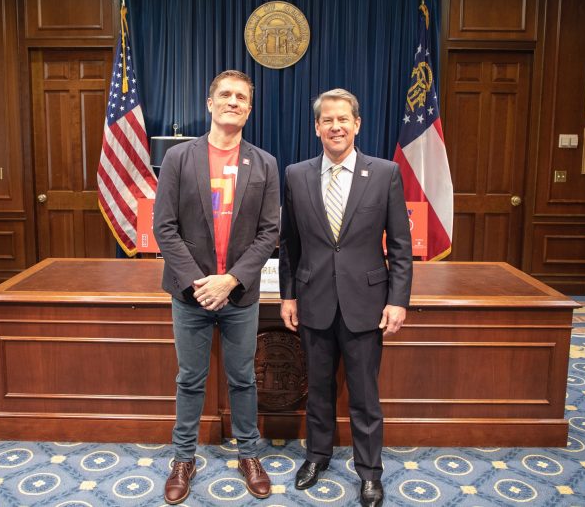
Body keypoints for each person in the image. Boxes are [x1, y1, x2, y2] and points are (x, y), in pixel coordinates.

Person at [278, 88, 413, 507]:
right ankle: (316, 457)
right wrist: (288, 296)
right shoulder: (296, 175)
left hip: (367, 305)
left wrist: (398, 300)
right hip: (314, 299)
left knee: (364, 394)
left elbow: (401, 247)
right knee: (317, 389)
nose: (335, 127)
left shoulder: (386, 172)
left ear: (357, 124)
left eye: (343, 119)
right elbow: (289, 244)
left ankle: (369, 472)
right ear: (316, 127)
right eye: (327, 120)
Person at [153, 70, 280, 505]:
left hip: (239, 293)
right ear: (210, 103)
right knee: (191, 379)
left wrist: (230, 280)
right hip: (190, 295)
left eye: (241, 97)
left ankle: (249, 454)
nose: (233, 101)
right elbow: (164, 228)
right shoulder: (179, 159)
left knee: (243, 378)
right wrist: (199, 283)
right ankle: (183, 458)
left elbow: (269, 233)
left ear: (249, 107)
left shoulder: (264, 163)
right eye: (225, 94)